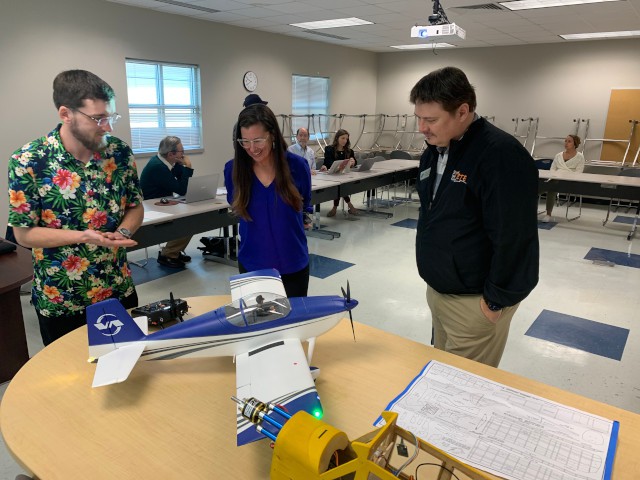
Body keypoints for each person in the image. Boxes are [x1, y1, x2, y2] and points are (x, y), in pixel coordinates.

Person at [411, 66, 539, 368]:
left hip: (474, 303)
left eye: (431, 120)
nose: (422, 128)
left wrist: (494, 301)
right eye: (418, 118)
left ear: (463, 111)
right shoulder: (436, 149)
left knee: (462, 387)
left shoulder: (500, 155)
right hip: (440, 291)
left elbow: (514, 236)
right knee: (440, 373)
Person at [7, 69, 143, 346]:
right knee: (70, 371)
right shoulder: (28, 160)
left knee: (127, 360)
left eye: (111, 117)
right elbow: (24, 234)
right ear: (65, 114)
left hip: (117, 285)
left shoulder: (118, 153)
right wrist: (84, 236)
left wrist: (123, 231)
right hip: (63, 298)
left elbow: (134, 206)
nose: (108, 127)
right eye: (98, 118)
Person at [224, 103, 312, 297]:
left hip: (293, 265)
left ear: (272, 135)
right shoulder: (233, 171)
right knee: (257, 318)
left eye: (258, 140)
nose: (252, 148)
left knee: (293, 317)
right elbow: (235, 205)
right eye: (245, 141)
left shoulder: (298, 167)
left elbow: (305, 203)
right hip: (252, 266)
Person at [140, 136, 194, 268]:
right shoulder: (158, 167)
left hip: (164, 204)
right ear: (171, 154)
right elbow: (182, 189)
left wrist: (181, 165)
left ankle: (173, 251)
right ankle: (168, 254)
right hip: (154, 208)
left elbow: (181, 179)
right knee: (189, 222)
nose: (183, 154)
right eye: (182, 151)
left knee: (192, 217)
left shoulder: (163, 161)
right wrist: (188, 166)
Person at [541, 134, 585, 223]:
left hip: (569, 181)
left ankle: (548, 214)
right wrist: (555, 175)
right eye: (565, 141)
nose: (566, 143)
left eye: (569, 141)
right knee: (547, 186)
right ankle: (546, 213)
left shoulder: (580, 157)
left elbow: (579, 172)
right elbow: (552, 169)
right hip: (555, 179)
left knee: (552, 187)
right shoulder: (558, 155)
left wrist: (565, 175)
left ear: (575, 144)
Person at [320, 129, 358, 216]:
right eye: (343, 138)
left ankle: (335, 208)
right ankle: (350, 205)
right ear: (337, 138)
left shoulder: (349, 151)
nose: (345, 141)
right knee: (340, 186)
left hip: (345, 175)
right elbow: (328, 162)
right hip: (332, 176)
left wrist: (353, 162)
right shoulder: (329, 149)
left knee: (341, 186)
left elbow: (355, 162)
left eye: (346, 139)